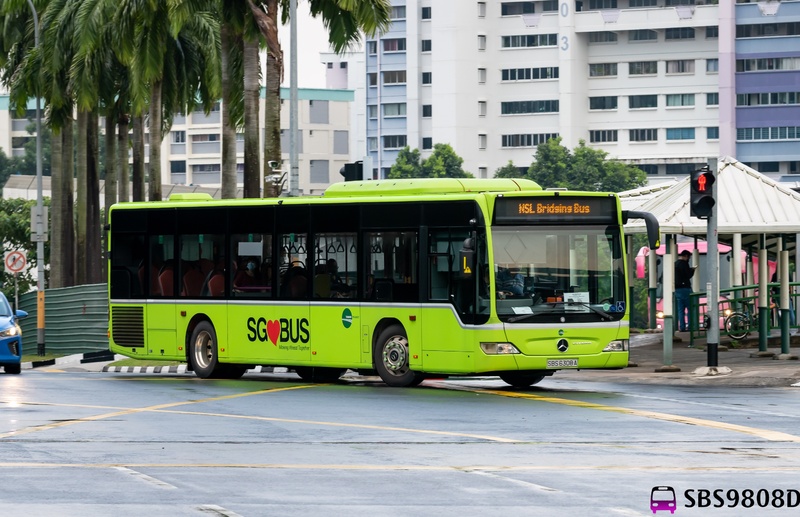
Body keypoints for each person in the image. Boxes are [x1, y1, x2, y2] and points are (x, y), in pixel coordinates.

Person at [675, 250, 695, 332]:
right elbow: (688, 275)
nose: (689, 258)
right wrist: (692, 270)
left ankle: (682, 327)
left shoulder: (675, 264)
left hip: (677, 289)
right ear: (686, 256)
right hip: (686, 288)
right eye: (689, 257)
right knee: (690, 308)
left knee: (680, 310)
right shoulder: (684, 264)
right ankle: (690, 327)